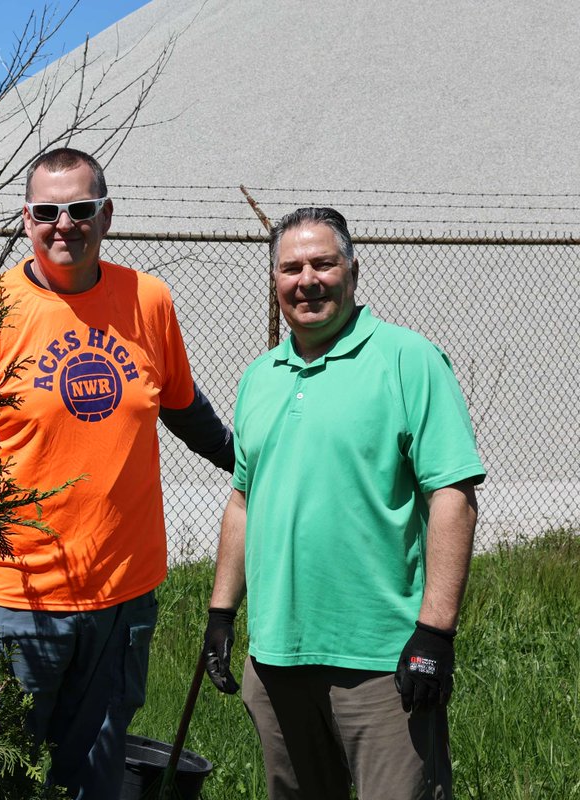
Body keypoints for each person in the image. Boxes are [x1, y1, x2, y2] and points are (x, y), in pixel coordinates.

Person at [0, 147, 233, 798]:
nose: (64, 223)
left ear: (107, 215)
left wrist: (251, 460)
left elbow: (180, 406)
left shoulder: (148, 299)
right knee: (7, 779)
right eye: (47, 210)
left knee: (96, 777)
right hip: (16, 599)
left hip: (122, 597)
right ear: (26, 219)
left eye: (80, 208)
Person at [202, 207, 485, 799]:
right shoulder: (260, 376)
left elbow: (452, 495)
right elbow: (243, 500)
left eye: (323, 264)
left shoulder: (410, 361)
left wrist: (435, 634)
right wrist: (222, 613)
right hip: (277, 657)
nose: (308, 280)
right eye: (291, 268)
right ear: (275, 281)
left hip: (383, 663)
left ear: (353, 271)